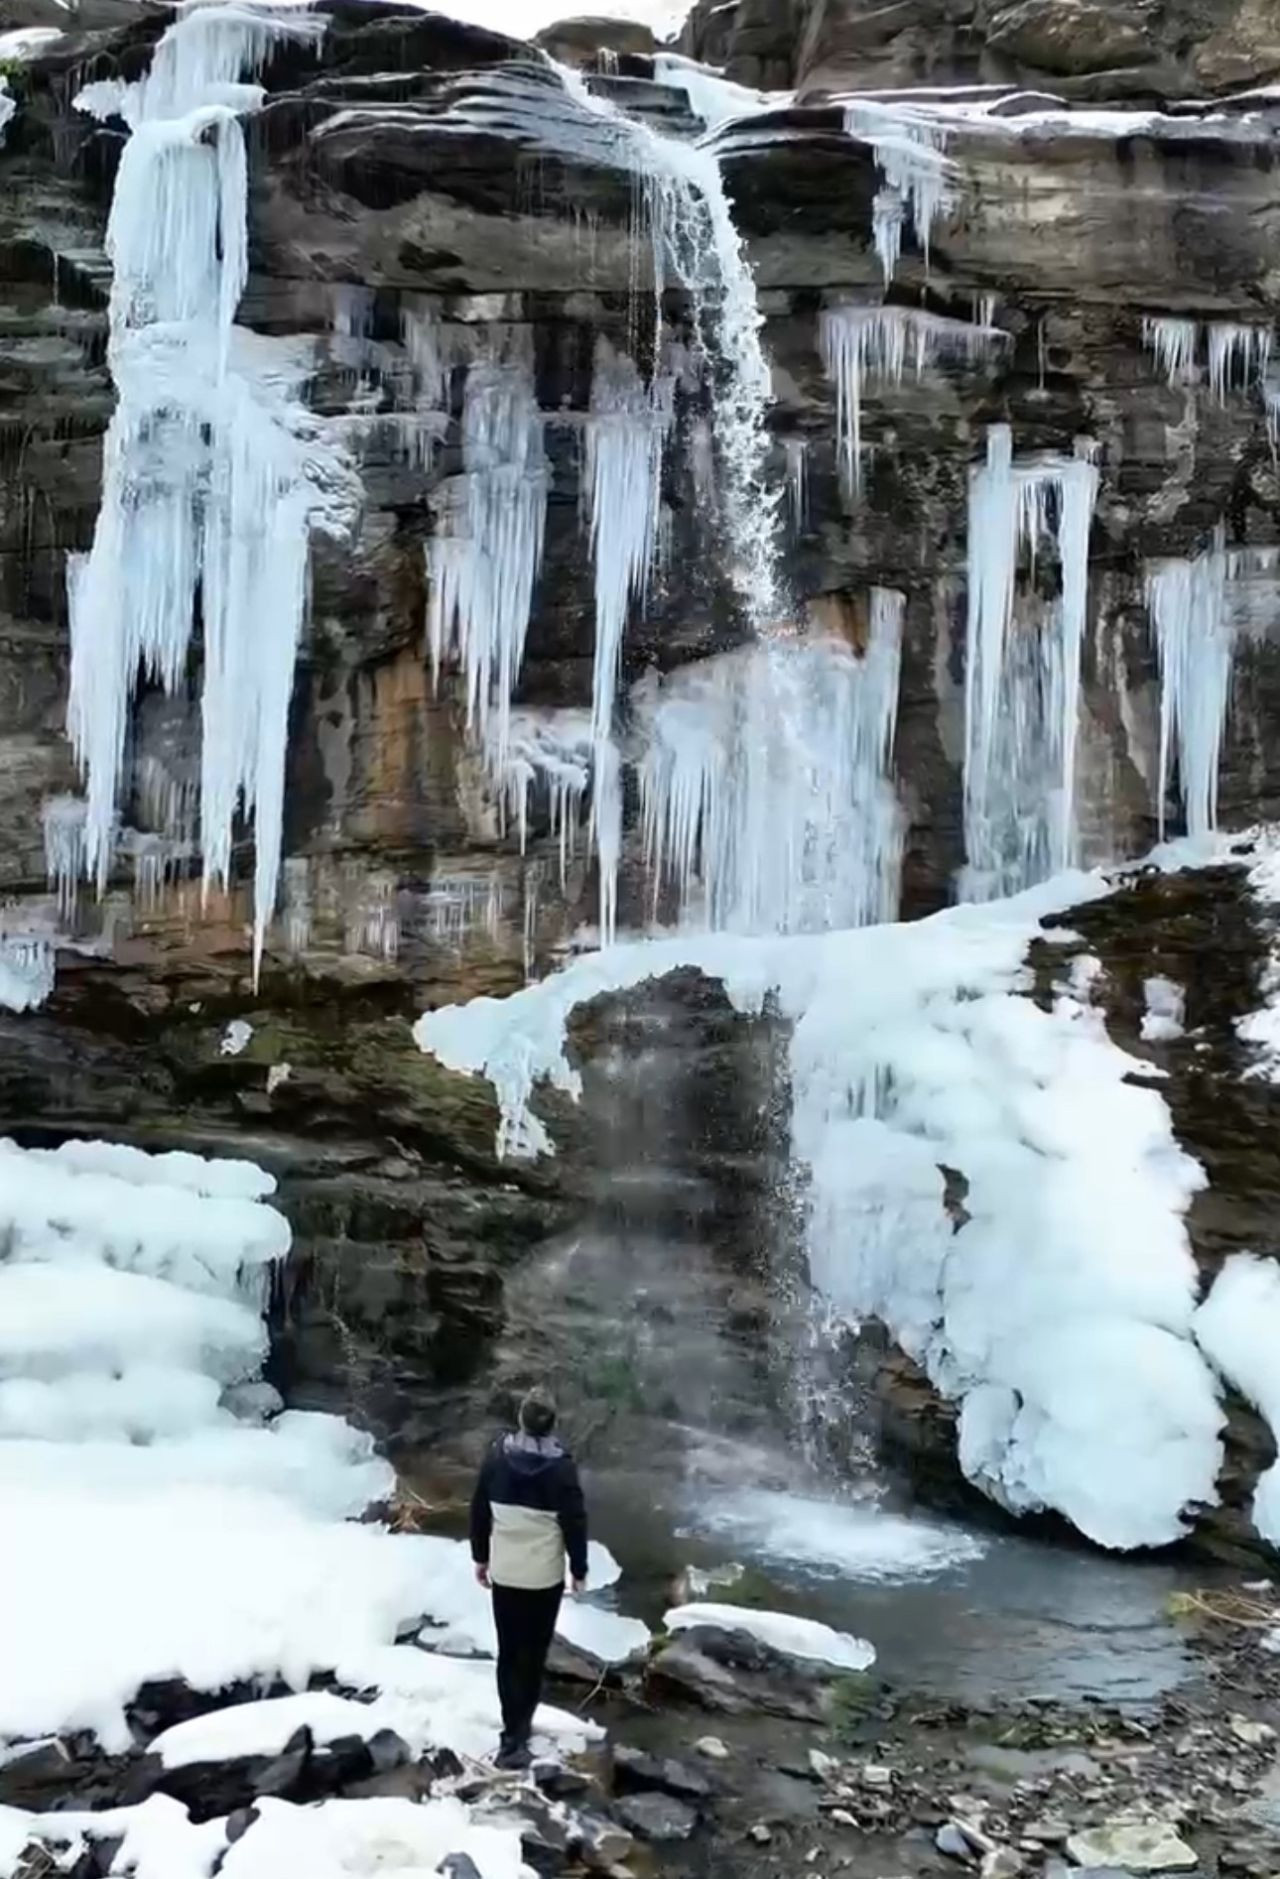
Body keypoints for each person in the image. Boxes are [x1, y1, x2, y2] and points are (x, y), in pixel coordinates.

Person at [470, 1385, 589, 1770]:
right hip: (543, 1579)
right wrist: (580, 1568)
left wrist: (480, 1557)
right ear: (553, 1425)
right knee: (533, 1657)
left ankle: (510, 1734)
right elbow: (574, 1523)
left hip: (506, 1572)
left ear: (520, 1419)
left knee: (508, 1653)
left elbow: (478, 1511)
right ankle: (521, 1730)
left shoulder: (496, 1459)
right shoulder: (562, 1468)